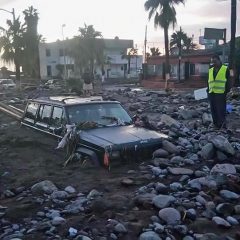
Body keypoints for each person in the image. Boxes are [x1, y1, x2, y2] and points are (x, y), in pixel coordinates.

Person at [207, 54, 230, 129]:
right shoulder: (210, 69)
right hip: (212, 92)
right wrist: (208, 90)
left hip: (221, 93)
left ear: (219, 61)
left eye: (215, 61)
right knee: (213, 109)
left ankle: (222, 124)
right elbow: (208, 81)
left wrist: (227, 91)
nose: (213, 63)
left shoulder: (225, 69)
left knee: (220, 109)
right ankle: (215, 124)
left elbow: (228, 81)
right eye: (212, 62)